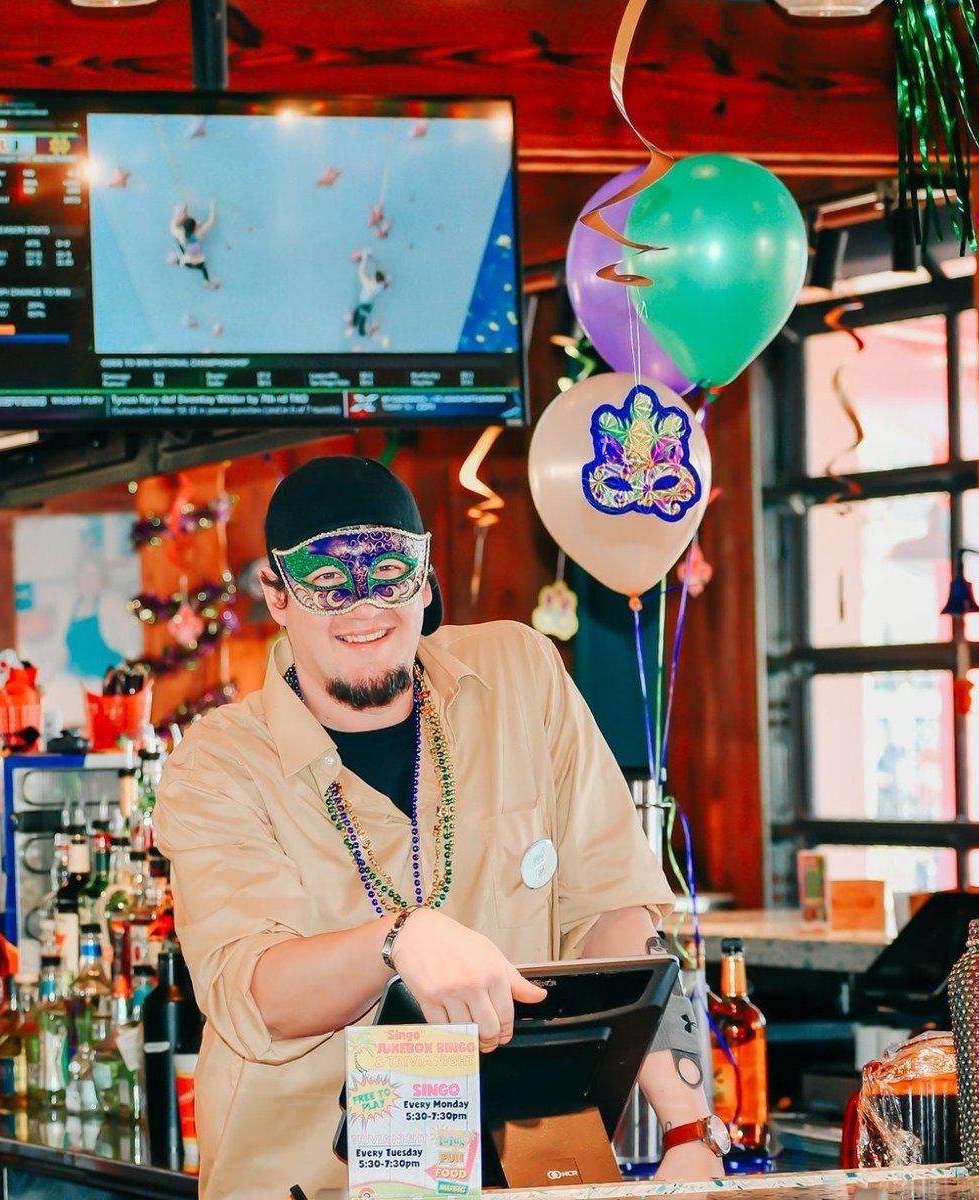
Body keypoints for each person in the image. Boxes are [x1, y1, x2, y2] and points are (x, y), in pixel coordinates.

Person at [153, 457, 724, 1199]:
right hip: (311, 1185)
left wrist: (688, 1129)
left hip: (522, 1170)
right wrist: (398, 940)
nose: (363, 607)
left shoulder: (521, 675)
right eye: (326, 580)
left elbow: (612, 916)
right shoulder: (218, 762)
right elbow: (257, 991)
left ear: (423, 577)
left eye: (388, 571)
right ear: (277, 595)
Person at [169, 200, 220, 290]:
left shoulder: (181, 235)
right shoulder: (199, 233)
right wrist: (212, 207)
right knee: (203, 268)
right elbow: (211, 221)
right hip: (197, 261)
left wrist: (176, 214)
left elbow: (173, 227)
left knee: (179, 243)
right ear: (196, 227)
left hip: (187, 260)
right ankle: (206, 282)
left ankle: (176, 260)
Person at [348, 249, 389, 338]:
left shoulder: (369, 284)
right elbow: (382, 279)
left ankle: (366, 332)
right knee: (358, 318)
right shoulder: (379, 286)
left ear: (375, 278)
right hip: (368, 306)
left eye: (373, 276)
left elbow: (361, 272)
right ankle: (364, 331)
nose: (372, 276)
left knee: (359, 322)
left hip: (364, 306)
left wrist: (365, 258)